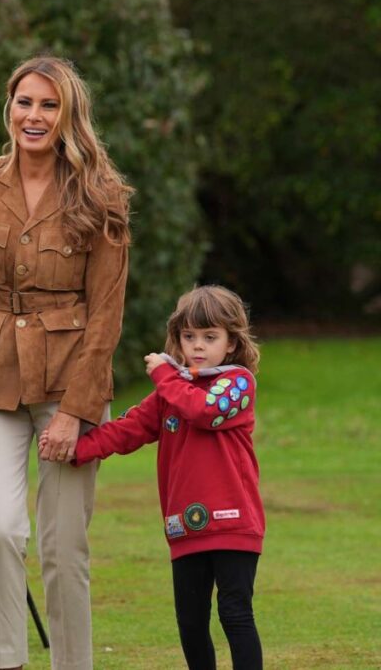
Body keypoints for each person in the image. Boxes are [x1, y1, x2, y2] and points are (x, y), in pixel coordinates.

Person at [0, 56, 133, 670]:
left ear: (69, 114)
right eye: (25, 103)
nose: (34, 116)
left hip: (70, 378)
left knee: (64, 546)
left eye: (48, 105)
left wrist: (75, 411)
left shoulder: (103, 194)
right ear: (8, 108)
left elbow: (106, 317)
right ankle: (7, 663)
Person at [47, 285, 265, 670]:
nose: (198, 346)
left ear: (231, 343)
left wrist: (165, 375)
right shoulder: (173, 390)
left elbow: (201, 410)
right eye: (189, 337)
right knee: (191, 623)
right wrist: (78, 449)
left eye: (210, 337)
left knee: (234, 614)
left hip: (235, 524)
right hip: (185, 526)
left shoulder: (237, 383)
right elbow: (128, 429)